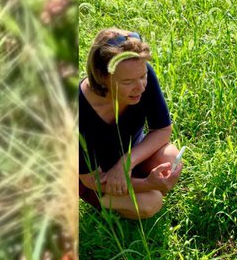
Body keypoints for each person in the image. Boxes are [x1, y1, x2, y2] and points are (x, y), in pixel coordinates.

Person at [78, 28, 183, 219]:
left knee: (171, 158)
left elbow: (162, 129)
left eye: (142, 77)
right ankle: (105, 201)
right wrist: (149, 185)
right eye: (128, 82)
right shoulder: (78, 111)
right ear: (102, 77)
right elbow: (91, 179)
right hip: (95, 179)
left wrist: (126, 163)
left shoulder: (139, 73)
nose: (141, 87)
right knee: (151, 202)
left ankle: (132, 183)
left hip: (130, 152)